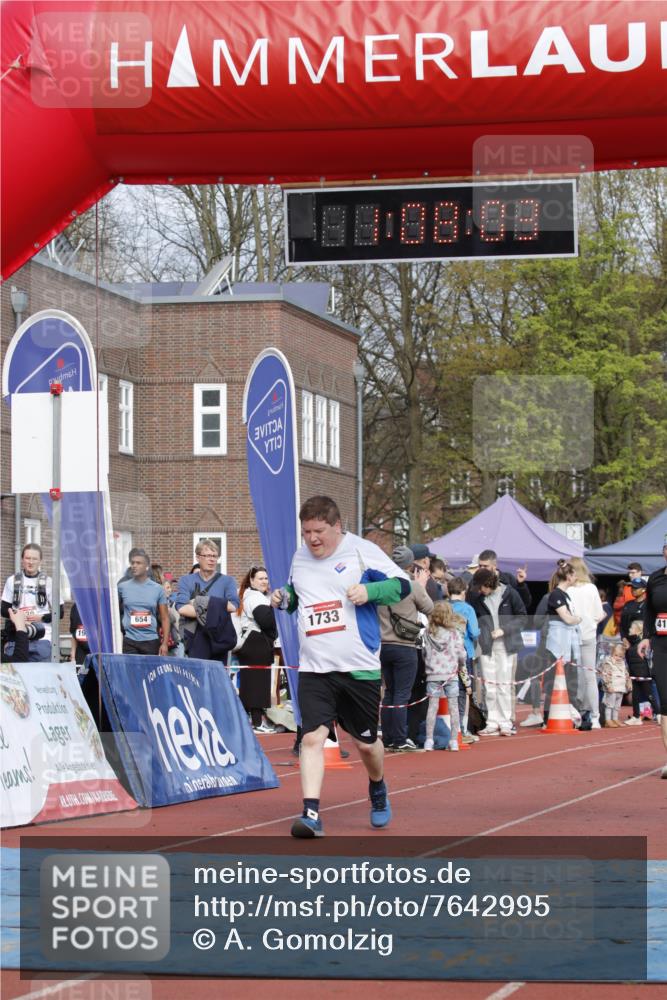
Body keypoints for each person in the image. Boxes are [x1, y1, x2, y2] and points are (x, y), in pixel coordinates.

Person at [271, 495, 410, 838]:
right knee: (312, 738)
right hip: (315, 667)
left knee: (365, 745)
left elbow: (402, 586)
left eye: (319, 531)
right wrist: (284, 598)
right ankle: (311, 813)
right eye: (306, 532)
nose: (312, 539)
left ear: (337, 527)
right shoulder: (300, 557)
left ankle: (377, 786)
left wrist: (369, 590)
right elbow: (297, 595)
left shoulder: (361, 551)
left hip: (358, 667)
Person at [377, 545, 433, 752]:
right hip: (405, 645)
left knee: (389, 692)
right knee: (402, 694)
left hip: (383, 645)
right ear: (410, 564)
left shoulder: (380, 585)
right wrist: (421, 587)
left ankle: (389, 737)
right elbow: (430, 609)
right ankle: (400, 738)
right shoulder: (412, 586)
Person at [467, 567, 526, 736]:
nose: (479, 591)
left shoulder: (510, 593)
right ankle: (492, 721)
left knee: (504, 685)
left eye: (481, 587)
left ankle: (505, 721)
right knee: (490, 686)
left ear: (488, 583)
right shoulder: (478, 598)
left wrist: (504, 630)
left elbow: (522, 617)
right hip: (487, 646)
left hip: (507, 645)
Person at [175, 538, 239, 661]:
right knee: (197, 677)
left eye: (215, 556)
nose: (212, 559)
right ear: (198, 557)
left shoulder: (228, 581)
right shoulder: (186, 580)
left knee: (218, 677)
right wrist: (218, 607)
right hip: (195, 636)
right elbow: (182, 608)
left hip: (219, 637)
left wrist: (198, 602)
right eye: (208, 555)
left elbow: (233, 606)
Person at [1, 543, 63, 662]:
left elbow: (59, 612)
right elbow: (4, 610)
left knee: (42, 678)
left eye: (34, 559)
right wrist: (19, 617)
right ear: (22, 559)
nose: (31, 562)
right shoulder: (12, 580)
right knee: (16, 677)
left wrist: (40, 617)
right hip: (17, 638)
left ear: (40, 561)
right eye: (28, 558)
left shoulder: (49, 582)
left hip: (42, 639)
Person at [236, 566, 278, 733]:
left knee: (250, 682)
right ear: (251, 580)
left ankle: (251, 721)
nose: (264, 581)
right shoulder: (255, 597)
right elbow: (266, 621)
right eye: (260, 578)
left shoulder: (248, 595)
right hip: (255, 642)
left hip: (250, 642)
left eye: (266, 578)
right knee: (257, 683)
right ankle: (257, 723)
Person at [637, 539, 667, 778]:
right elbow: (648, 610)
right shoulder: (655, 578)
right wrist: (646, 637)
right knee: (666, 701)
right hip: (661, 643)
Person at [422, 601, 468, 751]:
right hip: (450, 675)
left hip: (433, 674)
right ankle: (454, 740)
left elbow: (424, 653)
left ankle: (429, 740)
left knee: (432, 707)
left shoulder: (428, 633)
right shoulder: (454, 633)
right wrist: (461, 664)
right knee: (453, 707)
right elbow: (461, 654)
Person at [542, 562, 582, 723]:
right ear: (568, 576)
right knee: (554, 680)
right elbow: (566, 617)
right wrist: (578, 619)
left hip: (567, 640)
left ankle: (567, 713)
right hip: (558, 642)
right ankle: (548, 716)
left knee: (568, 679)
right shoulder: (556, 595)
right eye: (574, 574)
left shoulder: (565, 595)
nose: (576, 577)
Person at [568, 556, 605, 729]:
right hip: (588, 634)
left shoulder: (567, 589)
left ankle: (576, 712)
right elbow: (599, 613)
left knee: (574, 677)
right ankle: (595, 716)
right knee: (590, 677)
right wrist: (591, 622)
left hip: (571, 635)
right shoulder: (591, 588)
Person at [117, 549, 170, 656]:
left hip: (151, 640)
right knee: (130, 672)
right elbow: (113, 612)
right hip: (129, 640)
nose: (134, 566)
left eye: (138, 563)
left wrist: (165, 643)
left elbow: (165, 618)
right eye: (132, 563)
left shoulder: (158, 589)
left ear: (146, 566)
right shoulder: (122, 587)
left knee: (149, 673)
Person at [448, 576, 481, 741]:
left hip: (444, 654)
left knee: (447, 690)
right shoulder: (467, 609)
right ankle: (462, 728)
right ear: (463, 592)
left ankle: (448, 726)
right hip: (464, 652)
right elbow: (474, 632)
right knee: (464, 690)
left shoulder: (443, 606)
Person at [600, 641, 631, 728]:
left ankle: (615, 719)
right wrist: (609, 686)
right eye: (616, 655)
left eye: (620, 656)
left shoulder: (623, 664)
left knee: (617, 706)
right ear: (612, 654)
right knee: (610, 705)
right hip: (612, 688)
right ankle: (608, 720)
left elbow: (626, 674)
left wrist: (628, 683)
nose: (618, 658)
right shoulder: (608, 663)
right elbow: (606, 676)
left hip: (620, 688)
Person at [69, 602, 90, 667]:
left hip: (99, 653)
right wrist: (72, 657)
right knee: (81, 675)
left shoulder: (103, 604)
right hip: (81, 652)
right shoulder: (76, 607)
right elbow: (74, 633)